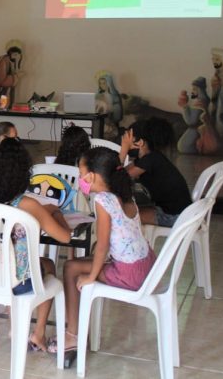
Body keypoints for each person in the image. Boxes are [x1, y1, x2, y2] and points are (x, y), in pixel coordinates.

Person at [0, 137, 73, 352]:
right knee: (48, 266)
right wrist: (56, 213)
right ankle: (38, 334)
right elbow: (65, 237)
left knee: (40, 263)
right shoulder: (27, 204)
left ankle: (17, 327)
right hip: (17, 280)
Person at [59, 146, 157, 352]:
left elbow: (102, 245)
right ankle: (74, 332)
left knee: (70, 268)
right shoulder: (125, 194)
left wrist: (91, 276)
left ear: (92, 176)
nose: (80, 179)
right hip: (147, 266)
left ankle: (72, 335)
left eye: (81, 174)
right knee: (82, 261)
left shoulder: (103, 200)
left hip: (129, 274)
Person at [120, 118, 191, 226]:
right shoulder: (150, 157)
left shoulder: (150, 161)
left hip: (176, 217)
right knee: (127, 209)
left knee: (125, 216)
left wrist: (124, 149)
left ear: (140, 142)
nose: (124, 141)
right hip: (179, 212)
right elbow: (119, 172)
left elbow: (118, 177)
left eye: (127, 139)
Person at [0, 42, 24, 108]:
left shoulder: (10, 62)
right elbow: (2, 81)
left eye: (17, 55)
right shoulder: (3, 61)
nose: (16, 57)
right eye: (14, 54)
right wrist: (16, 76)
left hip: (2, 96)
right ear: (10, 53)